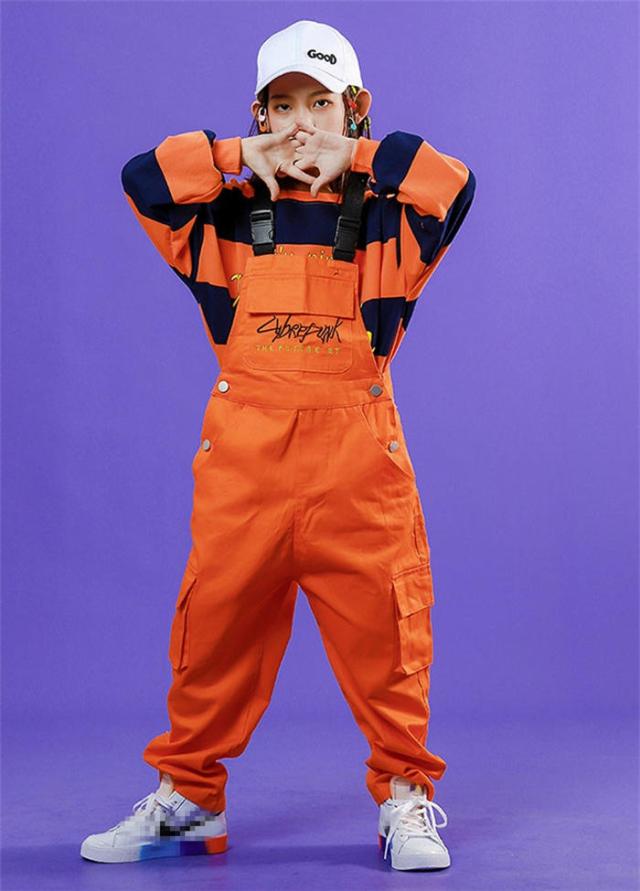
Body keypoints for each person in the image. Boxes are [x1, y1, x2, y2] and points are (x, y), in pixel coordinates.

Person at [80, 19, 476, 872]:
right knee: (213, 632)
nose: (302, 125)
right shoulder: (221, 218)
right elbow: (142, 178)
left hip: (359, 470)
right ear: (258, 115)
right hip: (245, 468)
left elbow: (455, 184)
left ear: (356, 109)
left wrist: (358, 159)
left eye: (321, 104)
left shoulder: (391, 222)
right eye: (283, 106)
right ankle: (190, 798)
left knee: (389, 637)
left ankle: (405, 796)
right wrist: (232, 155)